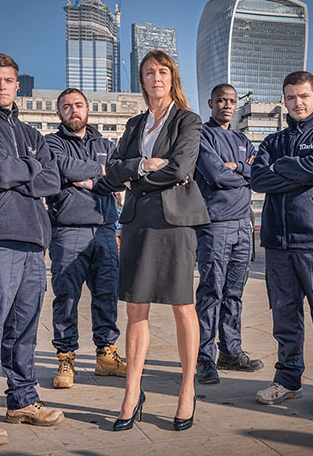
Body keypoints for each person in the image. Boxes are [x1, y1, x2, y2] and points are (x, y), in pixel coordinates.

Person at [0, 52, 63, 448]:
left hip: (35, 243)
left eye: (8, 80)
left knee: (24, 330)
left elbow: (51, 179)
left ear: (18, 85)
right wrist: (30, 168)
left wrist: (26, 168)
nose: (2, 86)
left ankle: (21, 400)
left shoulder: (33, 134)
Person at [106, 50, 210, 431]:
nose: (156, 78)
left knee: (183, 306)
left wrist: (138, 180)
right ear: (142, 80)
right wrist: (142, 166)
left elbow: (182, 167)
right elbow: (113, 169)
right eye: (148, 72)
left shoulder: (188, 120)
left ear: (172, 78)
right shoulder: (134, 125)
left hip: (174, 223)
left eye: (162, 71)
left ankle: (187, 388)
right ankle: (133, 390)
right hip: (137, 222)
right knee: (136, 309)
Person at [251, 71, 313, 414]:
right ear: (284, 101)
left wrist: (282, 169)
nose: (298, 103)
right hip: (277, 242)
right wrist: (293, 171)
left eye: (304, 96)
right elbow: (257, 178)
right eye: (291, 97)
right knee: (284, 316)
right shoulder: (272, 141)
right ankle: (289, 381)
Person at [45, 88, 126, 389]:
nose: (73, 111)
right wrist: (100, 173)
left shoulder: (105, 143)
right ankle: (66, 357)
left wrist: (88, 180)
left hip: (105, 229)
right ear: (59, 113)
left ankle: (106, 354)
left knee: (107, 294)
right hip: (68, 230)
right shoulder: (51, 143)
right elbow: (63, 168)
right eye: (66, 107)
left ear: (88, 109)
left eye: (78, 105)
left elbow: (116, 177)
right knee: (66, 296)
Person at [194, 84, 263, 385]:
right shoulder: (202, 136)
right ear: (211, 103)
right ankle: (204, 359)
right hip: (215, 224)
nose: (227, 105)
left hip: (242, 225)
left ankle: (230, 351)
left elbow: (260, 173)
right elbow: (215, 175)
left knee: (234, 293)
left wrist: (238, 169)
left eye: (232, 101)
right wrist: (240, 173)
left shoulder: (242, 139)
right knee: (212, 291)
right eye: (221, 100)